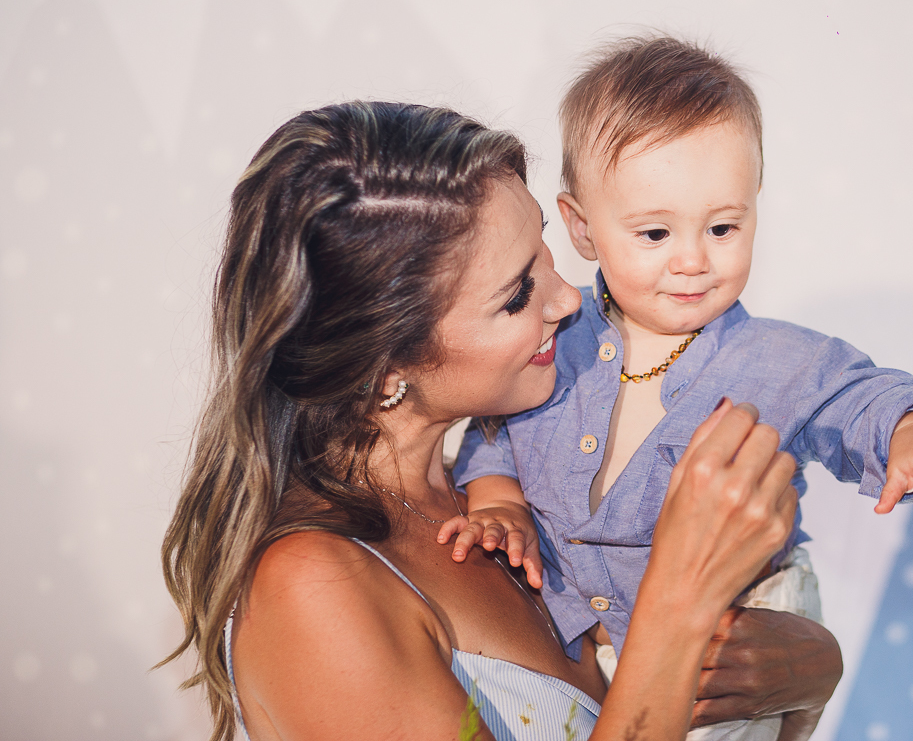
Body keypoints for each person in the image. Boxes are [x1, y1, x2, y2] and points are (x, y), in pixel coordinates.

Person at [159, 100, 842, 741]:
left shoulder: (514, 496)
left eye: (546, 254)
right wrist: (679, 600)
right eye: (517, 294)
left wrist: (807, 679)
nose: (568, 302)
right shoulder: (312, 588)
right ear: (384, 365)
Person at [449, 37, 913, 740]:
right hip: (596, 655)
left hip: (740, 639)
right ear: (583, 228)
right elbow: (497, 432)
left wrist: (908, 430)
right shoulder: (552, 337)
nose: (692, 260)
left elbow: (856, 397)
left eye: (722, 227)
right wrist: (498, 502)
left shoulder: (775, 359)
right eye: (655, 233)